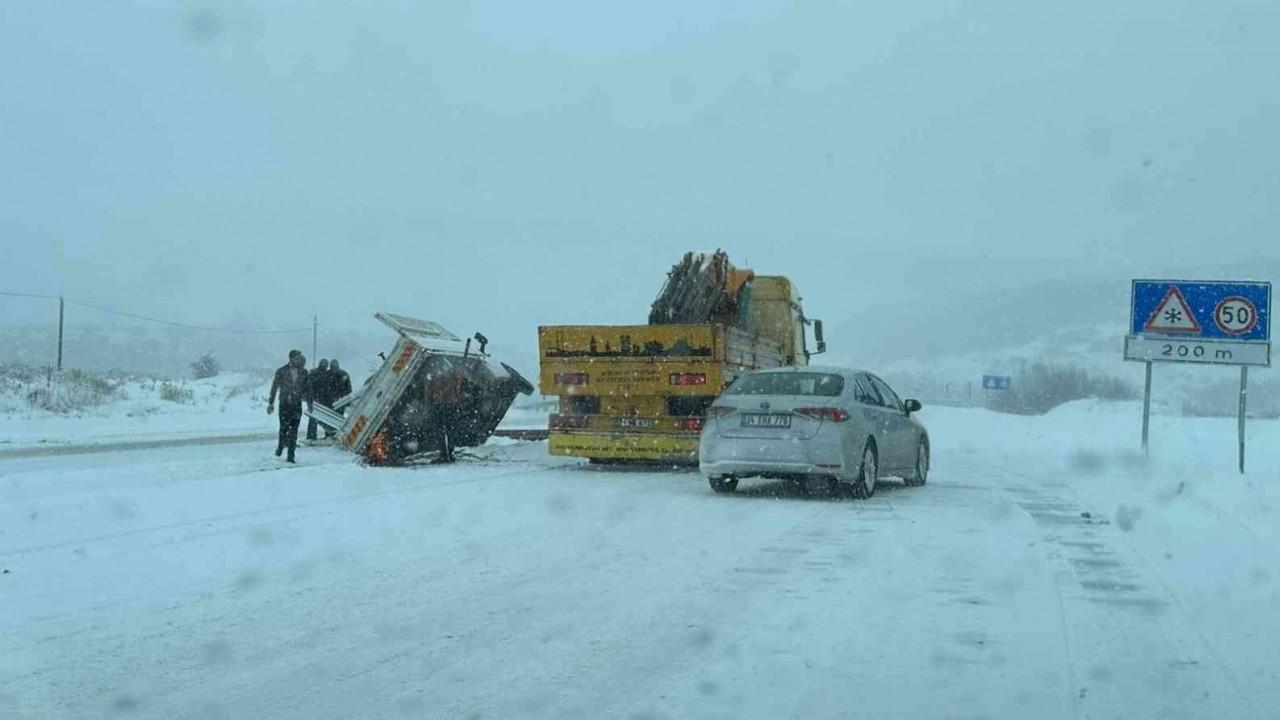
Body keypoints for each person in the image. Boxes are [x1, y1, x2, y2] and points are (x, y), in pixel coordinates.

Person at [267, 350, 309, 462]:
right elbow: (274, 387)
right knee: (284, 428)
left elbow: (307, 389)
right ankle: (281, 445)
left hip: (296, 405)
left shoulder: (304, 372)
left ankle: (291, 455)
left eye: (299, 358)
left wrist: (309, 402)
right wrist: (271, 403)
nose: (298, 360)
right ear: (290, 358)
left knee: (294, 430)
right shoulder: (281, 371)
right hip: (284, 404)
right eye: (296, 358)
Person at [306, 359, 331, 441]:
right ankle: (313, 436)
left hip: (322, 399)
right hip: (317, 399)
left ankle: (313, 435)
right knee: (315, 418)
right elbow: (309, 388)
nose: (324, 366)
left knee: (323, 419)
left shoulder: (326, 374)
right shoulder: (315, 373)